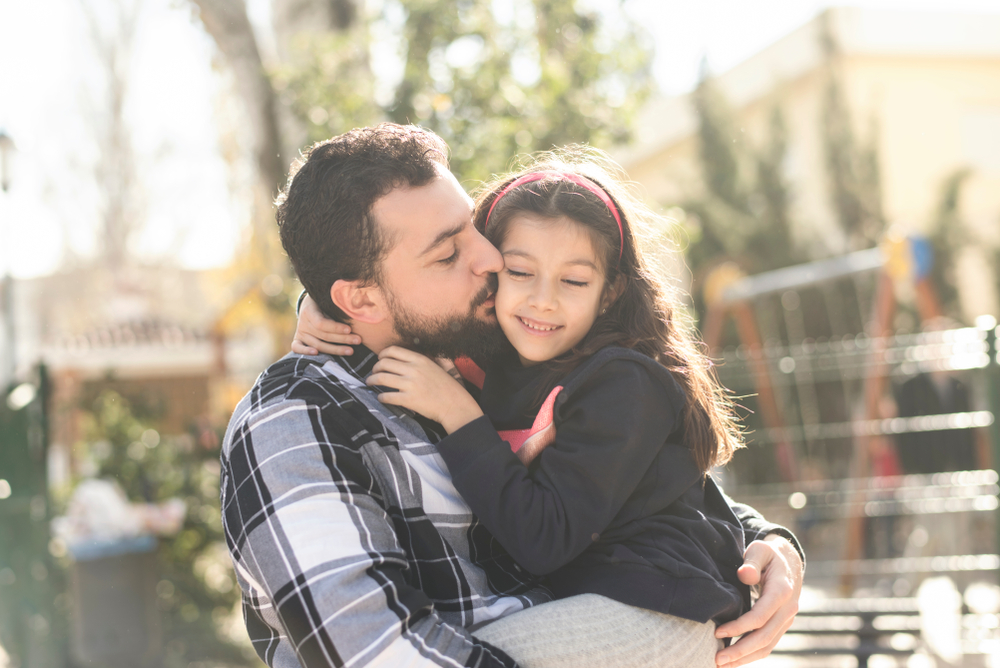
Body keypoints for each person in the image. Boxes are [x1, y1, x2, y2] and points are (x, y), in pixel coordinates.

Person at [222, 123, 802, 668]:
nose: (490, 259)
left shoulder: (468, 359)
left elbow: (641, 488)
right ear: (361, 300)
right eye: (448, 254)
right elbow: (375, 653)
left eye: (473, 230)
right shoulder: (296, 420)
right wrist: (320, 302)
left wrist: (765, 541)